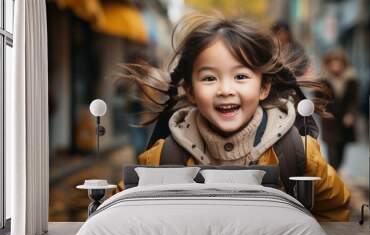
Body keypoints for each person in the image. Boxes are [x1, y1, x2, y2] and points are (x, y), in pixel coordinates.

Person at [122, 13, 350, 221]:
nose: (225, 90)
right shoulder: (164, 157)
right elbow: (119, 211)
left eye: (240, 76)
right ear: (190, 91)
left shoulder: (298, 154)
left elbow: (335, 209)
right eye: (210, 78)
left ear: (264, 87)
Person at [316, 49, 359, 170]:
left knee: (342, 150)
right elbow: (318, 99)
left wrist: (350, 114)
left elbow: (354, 99)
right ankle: (334, 177)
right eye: (333, 63)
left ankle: (336, 173)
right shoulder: (322, 80)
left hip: (345, 121)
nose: (336, 66)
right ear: (328, 64)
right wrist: (324, 112)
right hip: (329, 120)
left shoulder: (351, 79)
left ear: (343, 64)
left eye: (338, 63)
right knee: (332, 151)